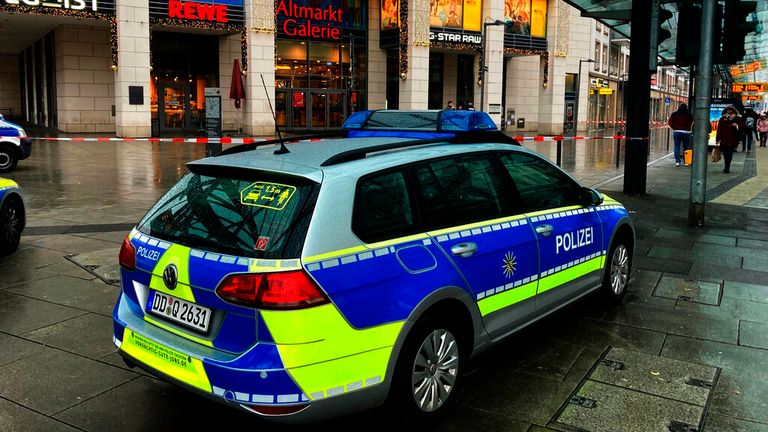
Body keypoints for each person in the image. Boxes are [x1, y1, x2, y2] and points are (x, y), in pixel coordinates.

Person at [716, 106, 743, 174]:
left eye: (730, 110)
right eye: (728, 110)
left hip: (732, 139)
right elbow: (719, 129)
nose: (729, 112)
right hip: (724, 139)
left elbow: (743, 126)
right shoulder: (722, 119)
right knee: (725, 153)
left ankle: (727, 166)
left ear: (733, 111)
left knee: (729, 153)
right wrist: (717, 139)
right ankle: (726, 165)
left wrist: (736, 125)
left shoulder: (737, 118)